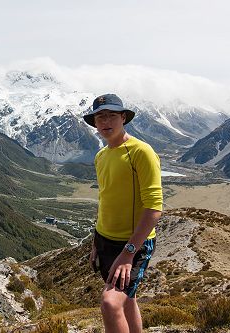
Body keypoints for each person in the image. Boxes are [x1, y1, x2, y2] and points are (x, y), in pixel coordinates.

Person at [83, 94, 163, 333]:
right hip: (105, 241)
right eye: (100, 117)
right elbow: (105, 199)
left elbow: (154, 207)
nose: (105, 121)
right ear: (94, 123)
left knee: (110, 303)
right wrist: (96, 241)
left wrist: (129, 252)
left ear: (123, 118)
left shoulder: (141, 151)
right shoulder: (101, 156)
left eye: (111, 116)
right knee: (128, 299)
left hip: (133, 244)